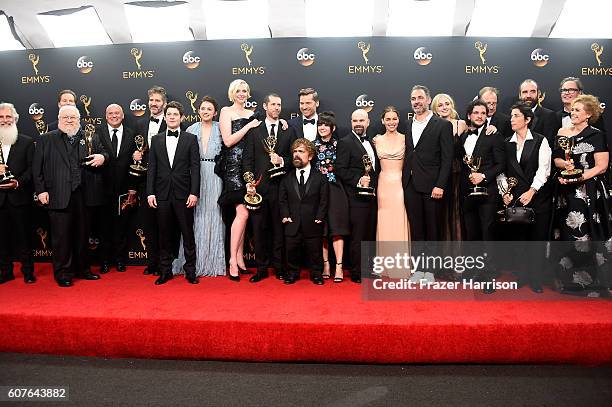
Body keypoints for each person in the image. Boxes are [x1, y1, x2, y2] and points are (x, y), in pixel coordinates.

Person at [33, 105, 107, 287]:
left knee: (83, 236)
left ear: (79, 120)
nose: (69, 120)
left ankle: (84, 269)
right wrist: (41, 190)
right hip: (58, 194)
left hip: (85, 195)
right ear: (58, 120)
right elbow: (37, 169)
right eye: (65, 117)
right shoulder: (46, 139)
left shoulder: (90, 137)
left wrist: (103, 158)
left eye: (73, 117)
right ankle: (63, 273)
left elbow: (104, 153)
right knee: (61, 238)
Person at [552, 94, 611, 296]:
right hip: (566, 192)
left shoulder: (597, 134)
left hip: (589, 192)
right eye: (572, 110)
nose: (573, 113)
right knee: (567, 233)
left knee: (588, 233)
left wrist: (579, 178)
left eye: (577, 110)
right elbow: (557, 158)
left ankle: (594, 282)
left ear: (588, 114)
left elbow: (602, 167)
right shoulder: (563, 132)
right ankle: (569, 281)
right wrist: (565, 166)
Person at [497, 102, 552, 293]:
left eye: (516, 116)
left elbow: (544, 169)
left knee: (537, 240)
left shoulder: (540, 140)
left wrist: (532, 191)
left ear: (527, 120)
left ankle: (536, 279)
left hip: (537, 198)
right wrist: (504, 192)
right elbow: (501, 171)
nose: (511, 119)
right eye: (511, 116)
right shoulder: (506, 143)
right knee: (519, 240)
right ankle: (522, 275)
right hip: (516, 200)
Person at [243, 93, 296, 282]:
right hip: (259, 189)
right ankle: (262, 268)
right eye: (273, 104)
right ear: (265, 106)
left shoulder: (288, 130)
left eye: (279, 104)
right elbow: (247, 159)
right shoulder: (254, 131)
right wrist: (249, 182)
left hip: (282, 188)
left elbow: (296, 158)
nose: (276, 107)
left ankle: (280, 267)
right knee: (259, 230)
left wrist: (282, 160)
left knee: (279, 230)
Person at [146, 101, 200, 285]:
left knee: (187, 233)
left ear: (181, 117)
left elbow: (195, 167)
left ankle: (190, 271)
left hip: (184, 194)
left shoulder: (190, 139)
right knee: (164, 234)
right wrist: (150, 193)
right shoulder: (156, 139)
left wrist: (194, 192)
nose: (171, 117)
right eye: (169, 114)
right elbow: (151, 168)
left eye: (175, 114)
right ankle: (165, 271)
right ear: (165, 116)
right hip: (161, 194)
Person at [172, 96, 226, 277]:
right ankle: (191, 263)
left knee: (214, 215)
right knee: (193, 218)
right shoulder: (190, 129)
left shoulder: (221, 128)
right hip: (193, 176)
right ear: (198, 111)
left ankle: (213, 263)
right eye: (203, 108)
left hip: (215, 175)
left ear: (215, 112)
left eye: (209, 109)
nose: (206, 111)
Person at [457, 100, 505, 292]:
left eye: (483, 113)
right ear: (469, 115)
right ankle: (472, 271)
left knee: (487, 234)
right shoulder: (462, 137)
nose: (479, 116)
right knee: (471, 233)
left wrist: (483, 175)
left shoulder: (494, 135)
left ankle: (488, 276)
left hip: (487, 193)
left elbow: (501, 164)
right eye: (475, 112)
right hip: (467, 192)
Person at [218, 79, 262, 280]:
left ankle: (240, 258)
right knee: (242, 212)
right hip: (233, 166)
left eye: (245, 90)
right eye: (238, 91)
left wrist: (283, 123)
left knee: (243, 214)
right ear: (232, 93)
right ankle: (232, 261)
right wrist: (248, 126)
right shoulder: (226, 111)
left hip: (248, 166)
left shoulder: (252, 114)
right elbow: (228, 141)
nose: (242, 94)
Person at [336, 109, 379, 283]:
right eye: (355, 121)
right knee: (359, 235)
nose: (358, 123)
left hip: (372, 197)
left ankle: (368, 269)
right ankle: (357, 271)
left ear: (368, 122)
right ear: (351, 122)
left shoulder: (372, 142)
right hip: (355, 197)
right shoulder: (345, 142)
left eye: (361, 120)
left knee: (369, 233)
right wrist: (358, 180)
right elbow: (340, 169)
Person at [279, 138, 329, 285]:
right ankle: (292, 273)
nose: (296, 154)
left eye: (301, 151)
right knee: (291, 250)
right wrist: (285, 215)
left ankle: (316, 274)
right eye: (295, 151)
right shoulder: (286, 178)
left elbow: (324, 199)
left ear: (311, 156)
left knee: (315, 251)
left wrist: (320, 216)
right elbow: (282, 200)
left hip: (313, 221)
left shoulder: (320, 178)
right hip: (292, 221)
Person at [96, 104, 137, 274]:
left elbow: (136, 164)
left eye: (117, 113)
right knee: (103, 227)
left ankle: (120, 260)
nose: (114, 116)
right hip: (100, 188)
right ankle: (105, 261)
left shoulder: (132, 134)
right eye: (110, 113)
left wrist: (132, 189)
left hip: (123, 189)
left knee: (121, 227)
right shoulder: (97, 133)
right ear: (106, 116)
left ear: (122, 116)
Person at [134, 86, 168, 276]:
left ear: (164, 103)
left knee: (165, 224)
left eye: (157, 101)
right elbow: (137, 149)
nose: (153, 104)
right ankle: (152, 261)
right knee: (148, 224)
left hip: (165, 182)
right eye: (151, 101)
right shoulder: (140, 124)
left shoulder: (172, 123)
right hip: (145, 181)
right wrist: (136, 154)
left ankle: (166, 263)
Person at [0, 102, 35, 284]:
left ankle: (28, 271)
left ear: (15, 119)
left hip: (19, 197)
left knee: (24, 237)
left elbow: (32, 170)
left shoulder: (27, 142)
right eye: (1, 117)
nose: (5, 120)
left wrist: (18, 182)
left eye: (8, 117)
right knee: (1, 239)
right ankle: (5, 272)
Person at [374, 106, 410, 279]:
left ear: (398, 120)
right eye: (387, 119)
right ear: (382, 121)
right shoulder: (376, 140)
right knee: (385, 222)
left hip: (400, 185)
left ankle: (401, 267)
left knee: (400, 221)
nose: (391, 122)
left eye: (394, 119)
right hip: (383, 185)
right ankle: (385, 267)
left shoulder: (406, 139)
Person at [313, 111, 349, 282]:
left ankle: (339, 266)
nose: (322, 127)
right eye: (320, 124)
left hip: (336, 189)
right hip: (317, 191)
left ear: (332, 128)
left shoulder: (341, 144)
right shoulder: (311, 146)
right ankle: (326, 264)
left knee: (337, 229)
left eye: (326, 125)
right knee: (322, 229)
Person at [431, 93, 467, 242]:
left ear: (452, 105)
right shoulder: (432, 127)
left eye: (447, 103)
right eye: (440, 105)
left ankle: (458, 253)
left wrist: (491, 127)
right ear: (435, 109)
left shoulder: (461, 124)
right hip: (438, 175)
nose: (444, 107)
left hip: (457, 174)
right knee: (441, 214)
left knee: (457, 213)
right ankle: (443, 254)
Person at [518, 79, 560, 148]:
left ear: (539, 93)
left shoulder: (549, 116)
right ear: (520, 95)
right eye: (525, 92)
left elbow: (549, 145)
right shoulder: (513, 116)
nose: (528, 95)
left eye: (532, 92)